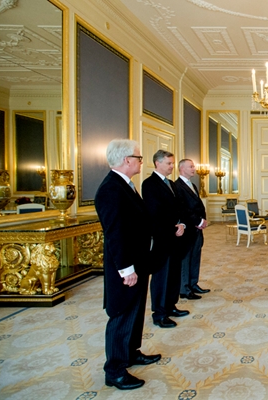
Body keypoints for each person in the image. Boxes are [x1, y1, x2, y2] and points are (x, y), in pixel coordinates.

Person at [94, 139, 161, 390]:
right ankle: (115, 371)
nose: (141, 162)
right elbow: (115, 234)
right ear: (127, 160)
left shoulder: (125, 185)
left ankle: (131, 353)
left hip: (138, 262)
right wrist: (126, 269)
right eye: (139, 158)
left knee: (135, 311)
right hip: (125, 267)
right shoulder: (111, 189)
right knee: (121, 314)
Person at [142, 150, 189, 328]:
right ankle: (159, 313)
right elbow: (155, 212)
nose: (172, 166)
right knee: (162, 276)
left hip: (176, 237)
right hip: (162, 239)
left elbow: (180, 207)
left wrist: (182, 223)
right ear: (157, 163)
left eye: (172, 163)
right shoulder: (149, 184)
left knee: (174, 274)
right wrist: (173, 227)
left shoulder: (171, 184)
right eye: (169, 163)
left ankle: (171, 306)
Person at [174, 159, 210, 299]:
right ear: (182, 169)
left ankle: (193, 284)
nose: (194, 169)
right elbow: (183, 209)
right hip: (187, 228)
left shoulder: (192, 185)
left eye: (193, 166)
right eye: (191, 166)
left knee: (195, 256)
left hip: (197, 229)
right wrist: (197, 221)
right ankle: (184, 289)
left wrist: (202, 220)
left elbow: (199, 206)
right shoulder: (177, 186)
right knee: (186, 259)